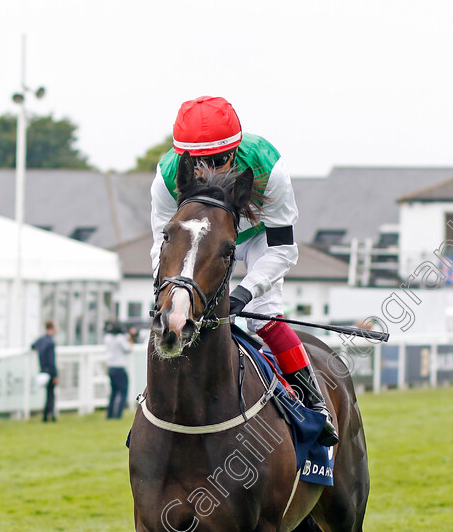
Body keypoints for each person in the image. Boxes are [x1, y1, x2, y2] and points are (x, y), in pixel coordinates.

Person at [150, 95, 338, 445]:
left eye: (219, 160)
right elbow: (163, 244)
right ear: (183, 158)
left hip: (259, 239)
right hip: (199, 243)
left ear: (235, 151)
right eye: (198, 162)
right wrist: (169, 293)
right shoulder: (166, 177)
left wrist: (244, 292)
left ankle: (313, 403)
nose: (209, 172)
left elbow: (283, 248)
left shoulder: (270, 168)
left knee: (262, 317)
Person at [103, 320, 132, 419]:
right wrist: (130, 338)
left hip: (111, 367)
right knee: (123, 392)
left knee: (113, 392)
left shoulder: (107, 338)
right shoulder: (120, 338)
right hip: (120, 367)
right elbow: (128, 349)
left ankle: (109, 414)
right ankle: (118, 414)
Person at [31, 321, 59, 422]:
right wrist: (55, 374)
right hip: (50, 371)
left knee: (48, 394)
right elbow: (52, 360)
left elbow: (32, 346)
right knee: (51, 394)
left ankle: (46, 415)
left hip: (42, 369)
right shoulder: (51, 342)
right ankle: (50, 415)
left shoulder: (41, 340)